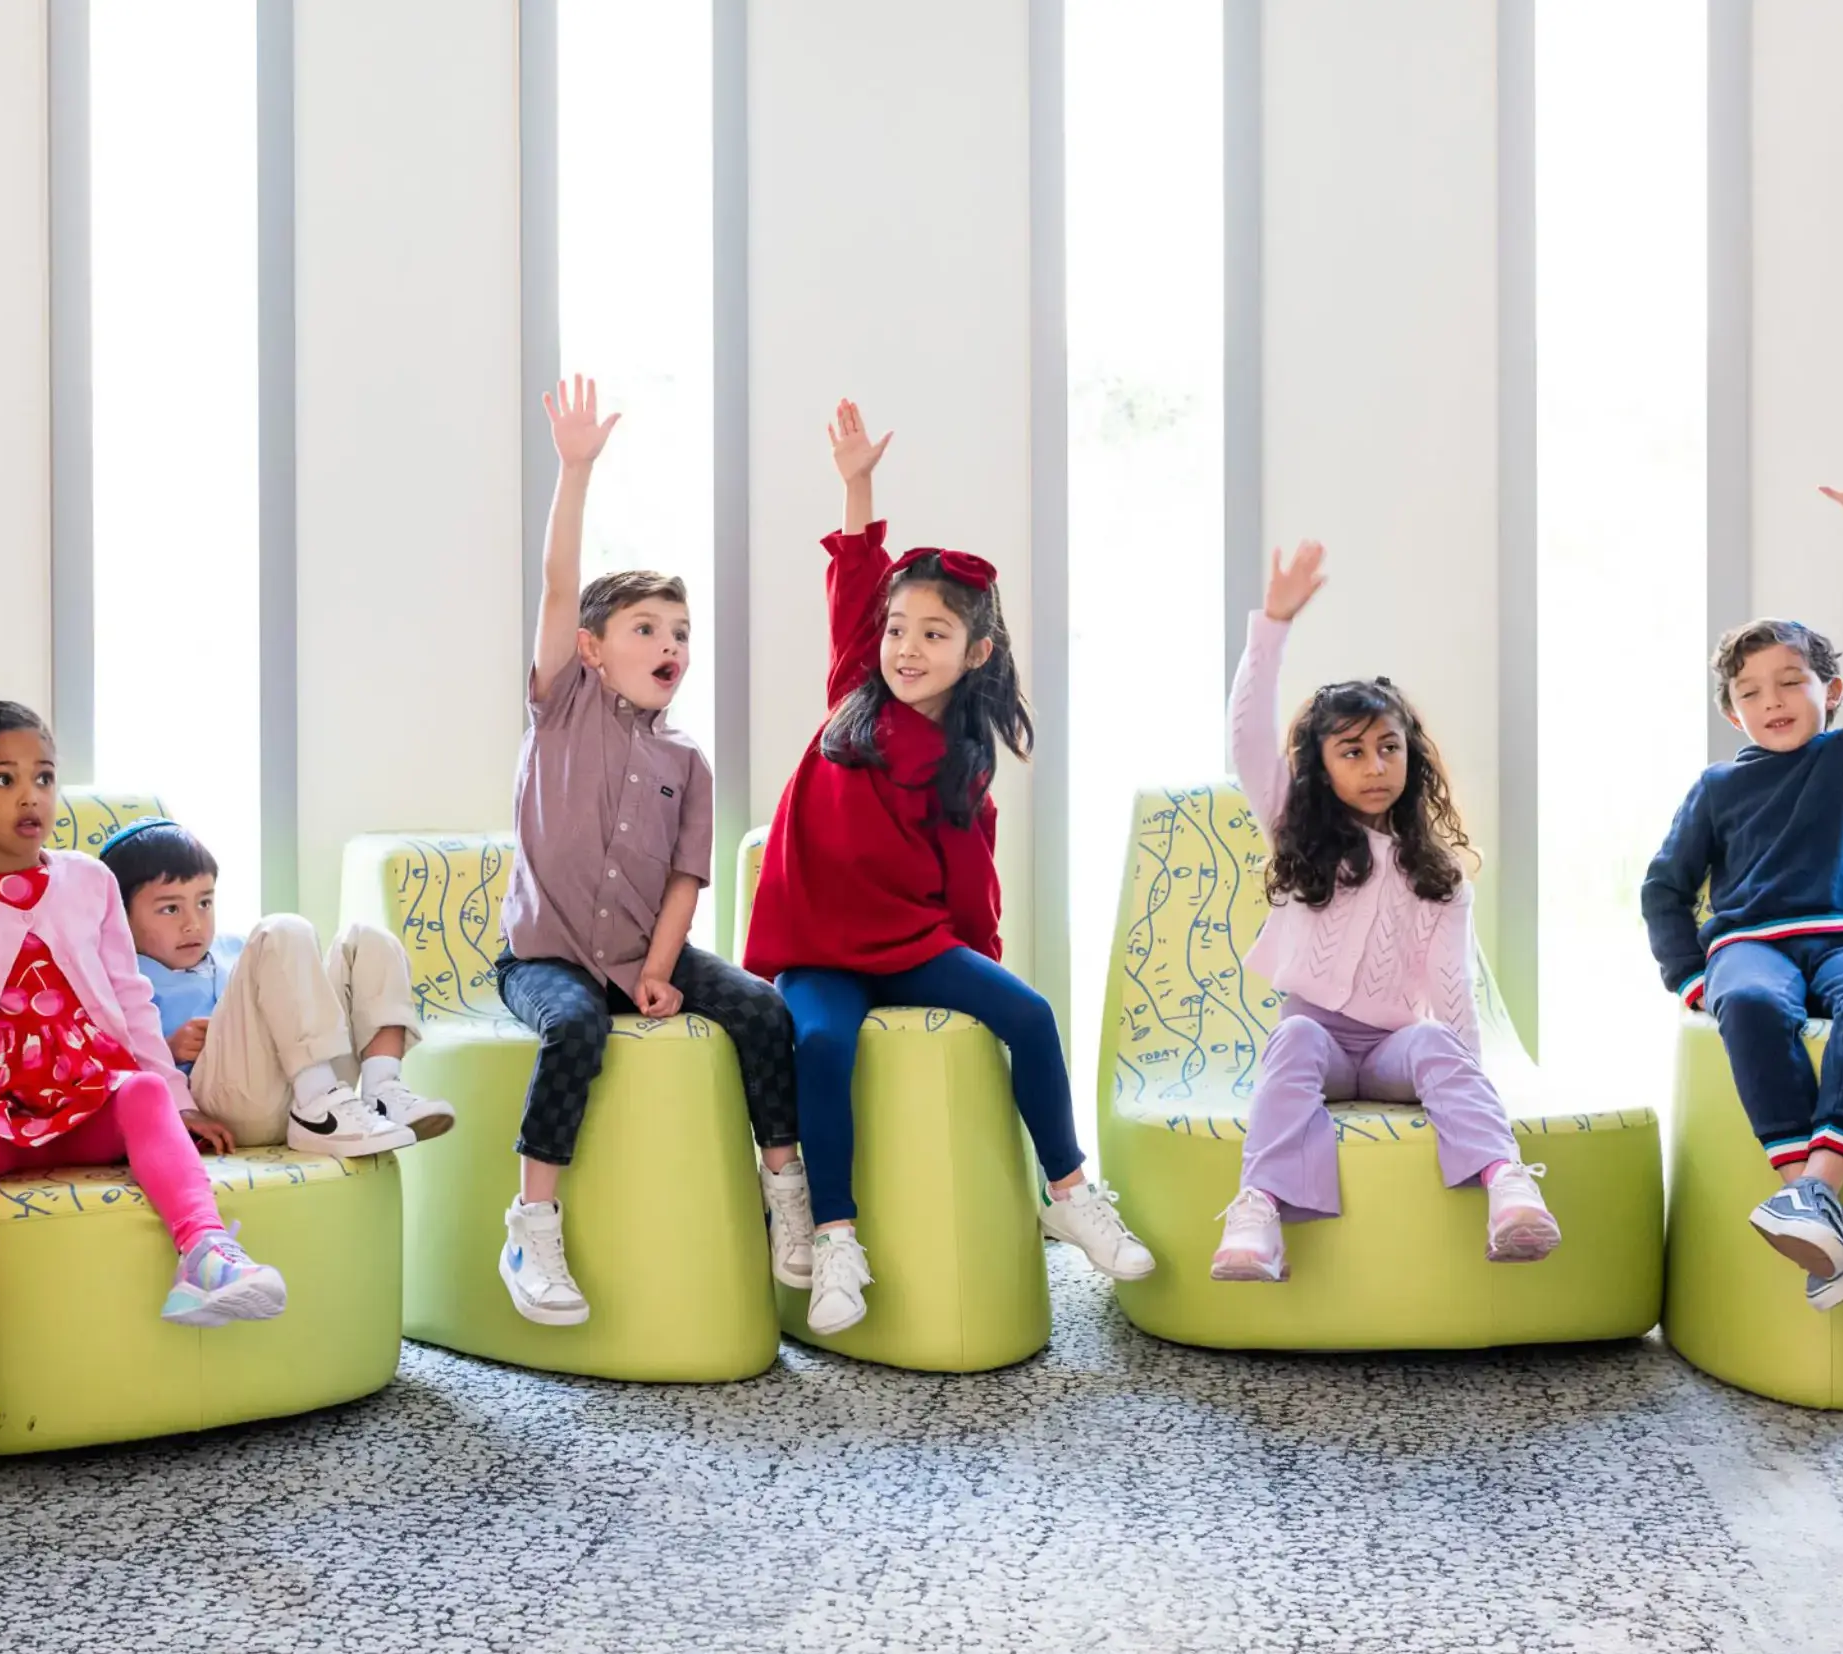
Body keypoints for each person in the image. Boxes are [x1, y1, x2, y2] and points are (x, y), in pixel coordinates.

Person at [745, 400, 1154, 1337]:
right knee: (819, 1045)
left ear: (975, 654)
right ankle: (838, 1239)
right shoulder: (854, 686)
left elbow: (973, 891)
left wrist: (981, 973)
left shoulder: (967, 765)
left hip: (911, 945)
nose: (907, 649)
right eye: (899, 629)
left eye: (934, 635)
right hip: (821, 952)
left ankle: (1069, 1190)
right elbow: (852, 582)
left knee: (1031, 1012)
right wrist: (857, 485)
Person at [493, 376, 814, 1327]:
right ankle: (531, 1226)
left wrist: (662, 973)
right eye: (646, 628)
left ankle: (785, 1193)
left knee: (760, 1008)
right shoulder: (563, 704)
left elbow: (686, 878)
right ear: (591, 649)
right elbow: (560, 582)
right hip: (545, 960)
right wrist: (575, 469)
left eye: (681, 632)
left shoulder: (687, 757)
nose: (670, 643)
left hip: (640, 954)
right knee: (576, 1029)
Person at [0, 704, 287, 1453]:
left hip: (85, 1093)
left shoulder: (89, 881)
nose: (30, 798)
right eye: (4, 780)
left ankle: (206, 1253)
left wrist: (173, 1100)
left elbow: (130, 994)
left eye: (43, 778)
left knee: (140, 1092)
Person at [1209, 540, 1559, 1284]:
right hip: (1324, 1043)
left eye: (1388, 749)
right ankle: (1259, 1212)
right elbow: (1245, 742)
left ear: (1411, 758)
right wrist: (1271, 626)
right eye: (1353, 752)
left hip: (1394, 1049)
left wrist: (1471, 1070)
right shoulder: (1300, 834)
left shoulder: (1439, 874)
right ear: (1320, 765)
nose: (1374, 767)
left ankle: (1507, 1186)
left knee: (1442, 1045)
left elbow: (1452, 990)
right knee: (1295, 1037)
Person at [1642, 446, 1843, 1312]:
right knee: (1753, 1005)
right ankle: (1818, 1210)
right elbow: (1663, 885)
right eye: (1752, 690)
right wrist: (1690, 975)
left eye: (1791, 681)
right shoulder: (1721, 786)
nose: (1773, 700)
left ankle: (1817, 1193)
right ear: (1732, 710)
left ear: (1829, 692)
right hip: (1751, 948)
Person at [100, 816, 451, 1155]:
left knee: (367, 939)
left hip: (300, 1090)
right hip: (224, 1104)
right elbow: (103, 1071)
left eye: (204, 902)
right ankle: (318, 1108)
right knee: (282, 928)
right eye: (170, 909)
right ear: (120, 917)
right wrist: (169, 1049)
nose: (194, 924)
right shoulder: (120, 977)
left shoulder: (239, 951)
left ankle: (382, 1090)